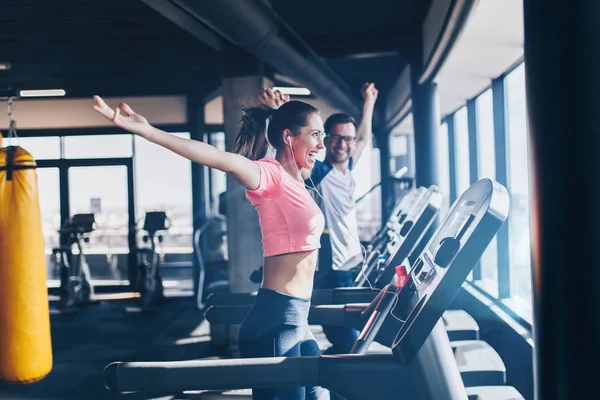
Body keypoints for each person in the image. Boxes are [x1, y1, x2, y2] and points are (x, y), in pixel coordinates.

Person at [92, 93, 329, 400]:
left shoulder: (297, 180)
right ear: (288, 136)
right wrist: (149, 131)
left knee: (322, 393)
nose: (321, 144)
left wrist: (277, 109)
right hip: (277, 321)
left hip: (298, 318)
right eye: (315, 135)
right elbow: (216, 157)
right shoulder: (268, 174)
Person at [306, 83, 379, 356]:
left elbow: (363, 138)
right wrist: (276, 112)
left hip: (349, 264)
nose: (343, 144)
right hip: (331, 264)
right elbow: (290, 153)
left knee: (350, 336)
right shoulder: (318, 171)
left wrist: (368, 102)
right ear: (326, 141)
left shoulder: (348, 172)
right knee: (346, 339)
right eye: (336, 138)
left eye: (347, 139)